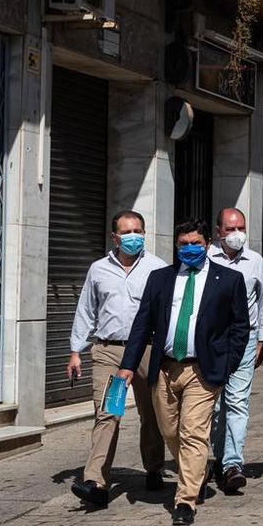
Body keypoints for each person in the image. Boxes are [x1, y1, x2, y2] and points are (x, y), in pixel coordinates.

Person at [117, 219, 251, 526]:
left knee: (194, 432)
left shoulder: (228, 280)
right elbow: (142, 324)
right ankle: (198, 471)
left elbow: (239, 327)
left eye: (195, 243)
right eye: (183, 244)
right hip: (164, 367)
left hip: (203, 370)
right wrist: (127, 365)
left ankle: (186, 499)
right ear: (176, 247)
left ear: (207, 245)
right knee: (168, 431)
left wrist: (227, 364)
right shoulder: (160, 279)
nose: (189, 249)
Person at [67, 210, 170, 508]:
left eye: (138, 230)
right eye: (127, 232)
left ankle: (153, 467)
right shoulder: (98, 269)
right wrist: (76, 350)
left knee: (151, 413)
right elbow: (86, 310)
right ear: (114, 237)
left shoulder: (157, 268)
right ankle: (96, 481)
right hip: (110, 351)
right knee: (108, 412)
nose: (133, 236)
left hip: (147, 351)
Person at [207, 208, 263, 493]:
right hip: (211, 341)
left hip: (244, 340)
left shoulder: (255, 261)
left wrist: (262, 339)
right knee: (216, 405)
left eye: (241, 228)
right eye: (230, 229)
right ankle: (220, 457)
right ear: (218, 231)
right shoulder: (205, 258)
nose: (237, 234)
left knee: (237, 401)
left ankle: (233, 464)